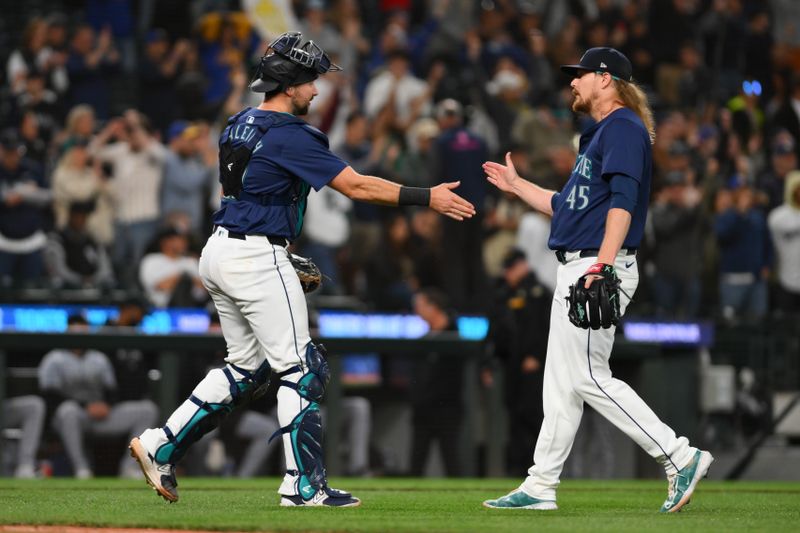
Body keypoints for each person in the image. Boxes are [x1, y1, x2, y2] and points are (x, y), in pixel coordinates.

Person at [128, 31, 474, 507]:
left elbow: (252, 192)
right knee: (302, 367)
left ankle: (160, 444)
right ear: (289, 83)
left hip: (221, 250)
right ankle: (302, 484)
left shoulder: (238, 123)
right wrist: (426, 195)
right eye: (311, 80)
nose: (316, 89)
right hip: (254, 255)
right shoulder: (291, 133)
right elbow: (356, 187)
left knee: (245, 368)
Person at [481, 47, 713, 513]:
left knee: (587, 376)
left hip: (596, 264)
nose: (573, 82)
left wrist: (602, 266)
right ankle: (541, 484)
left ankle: (679, 455)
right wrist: (517, 185)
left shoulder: (623, 127)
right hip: (580, 262)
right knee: (561, 384)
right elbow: (565, 207)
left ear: (606, 80)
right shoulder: (600, 133)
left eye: (581, 75)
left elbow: (623, 204)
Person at [38, 315, 159, 478]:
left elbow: (112, 391)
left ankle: (130, 467)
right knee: (68, 410)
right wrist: (84, 406)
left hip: (99, 415)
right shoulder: (54, 358)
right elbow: (50, 396)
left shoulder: (99, 358)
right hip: (71, 418)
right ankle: (81, 469)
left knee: (147, 410)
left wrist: (106, 405)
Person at [486, 248, 551, 476]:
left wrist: (536, 355)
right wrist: (490, 361)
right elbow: (495, 329)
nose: (508, 273)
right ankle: (515, 467)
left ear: (523, 265)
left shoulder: (538, 293)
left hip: (534, 367)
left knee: (532, 415)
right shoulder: (503, 293)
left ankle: (538, 468)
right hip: (511, 364)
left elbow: (545, 329)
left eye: (512, 268)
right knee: (513, 415)